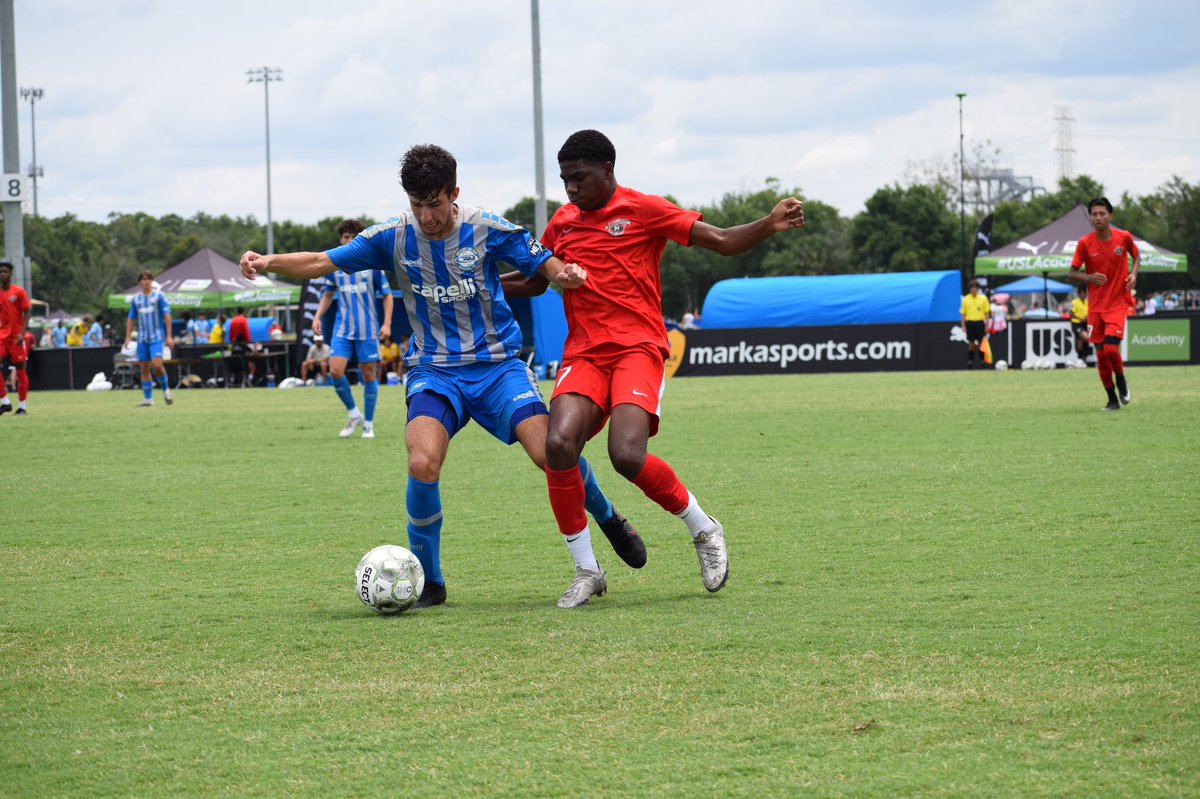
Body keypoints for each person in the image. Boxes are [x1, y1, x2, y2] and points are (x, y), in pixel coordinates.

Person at [240, 143, 640, 609]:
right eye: (417, 205)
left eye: (434, 204)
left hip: (497, 367)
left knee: (550, 453)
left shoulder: (488, 228)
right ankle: (431, 580)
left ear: (454, 193)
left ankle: (609, 517)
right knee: (422, 462)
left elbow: (539, 260)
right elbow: (319, 262)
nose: (426, 216)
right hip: (434, 371)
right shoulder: (391, 236)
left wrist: (563, 272)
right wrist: (266, 263)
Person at [504, 129, 806, 595]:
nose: (570, 189)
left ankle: (704, 529)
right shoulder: (563, 222)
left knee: (626, 456)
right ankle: (587, 571)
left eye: (579, 178)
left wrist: (767, 224)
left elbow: (722, 240)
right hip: (584, 352)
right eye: (565, 180)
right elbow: (535, 281)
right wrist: (474, 280)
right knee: (558, 447)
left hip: (638, 349)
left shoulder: (644, 209)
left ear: (608, 170)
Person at [312, 219, 394, 439]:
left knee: (369, 374)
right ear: (341, 239)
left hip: (367, 329)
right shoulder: (334, 267)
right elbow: (328, 294)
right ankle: (353, 413)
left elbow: (387, 295)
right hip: (342, 329)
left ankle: (368, 423)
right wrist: (318, 316)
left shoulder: (372, 266)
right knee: (335, 371)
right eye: (345, 237)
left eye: (352, 237)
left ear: (360, 238)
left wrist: (386, 324)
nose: (348, 241)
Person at [1067, 196, 1139, 411]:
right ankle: (1112, 399)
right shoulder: (1084, 243)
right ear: (1091, 218)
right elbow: (1072, 273)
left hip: (1117, 303)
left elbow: (1137, 256)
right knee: (1100, 354)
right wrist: (1089, 278)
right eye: (1094, 214)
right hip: (1095, 307)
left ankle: (1121, 380)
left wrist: (1134, 274)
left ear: (1110, 216)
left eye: (1102, 213)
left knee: (1110, 350)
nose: (1098, 218)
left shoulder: (1123, 237)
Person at [123, 271, 175, 407]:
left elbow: (167, 316)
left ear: (151, 281)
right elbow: (131, 318)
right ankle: (148, 399)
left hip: (156, 337)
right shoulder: (136, 299)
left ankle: (166, 391)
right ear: (140, 282)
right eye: (143, 279)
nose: (146, 282)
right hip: (142, 338)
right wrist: (127, 337)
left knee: (157, 364)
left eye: (148, 279)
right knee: (144, 368)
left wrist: (169, 336)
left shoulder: (159, 296)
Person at [0, 261, 32, 416]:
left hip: (16, 338)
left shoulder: (19, 292)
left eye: (5, 272)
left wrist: (22, 333)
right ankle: (5, 402)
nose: (2, 274)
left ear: (10, 274)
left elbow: (27, 312)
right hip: (3, 336)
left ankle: (22, 407)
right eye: (1, 272)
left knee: (21, 370)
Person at [959, 280, 989, 369]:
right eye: (972, 288)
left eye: (976, 288)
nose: (974, 290)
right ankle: (970, 362)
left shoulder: (983, 298)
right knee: (971, 344)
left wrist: (987, 325)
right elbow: (963, 314)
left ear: (978, 289)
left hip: (980, 323)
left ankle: (982, 362)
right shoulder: (965, 299)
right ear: (970, 289)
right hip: (970, 323)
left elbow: (987, 313)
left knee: (981, 344)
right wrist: (963, 326)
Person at [228, 307, 255, 386]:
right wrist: (249, 341)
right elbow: (247, 333)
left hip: (234, 346)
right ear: (243, 311)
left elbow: (231, 334)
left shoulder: (233, 320)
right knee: (250, 364)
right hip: (243, 347)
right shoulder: (244, 320)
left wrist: (233, 341)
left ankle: (233, 379)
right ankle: (249, 379)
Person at [1069, 284, 1089, 363]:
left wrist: (1087, 317)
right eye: (1082, 293)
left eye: (1085, 293)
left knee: (1081, 340)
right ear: (1079, 293)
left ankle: (1082, 358)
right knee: (1086, 337)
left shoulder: (1087, 303)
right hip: (1077, 324)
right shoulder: (1075, 302)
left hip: (1085, 324)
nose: (1084, 295)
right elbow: (1071, 313)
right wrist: (1080, 318)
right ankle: (1081, 357)